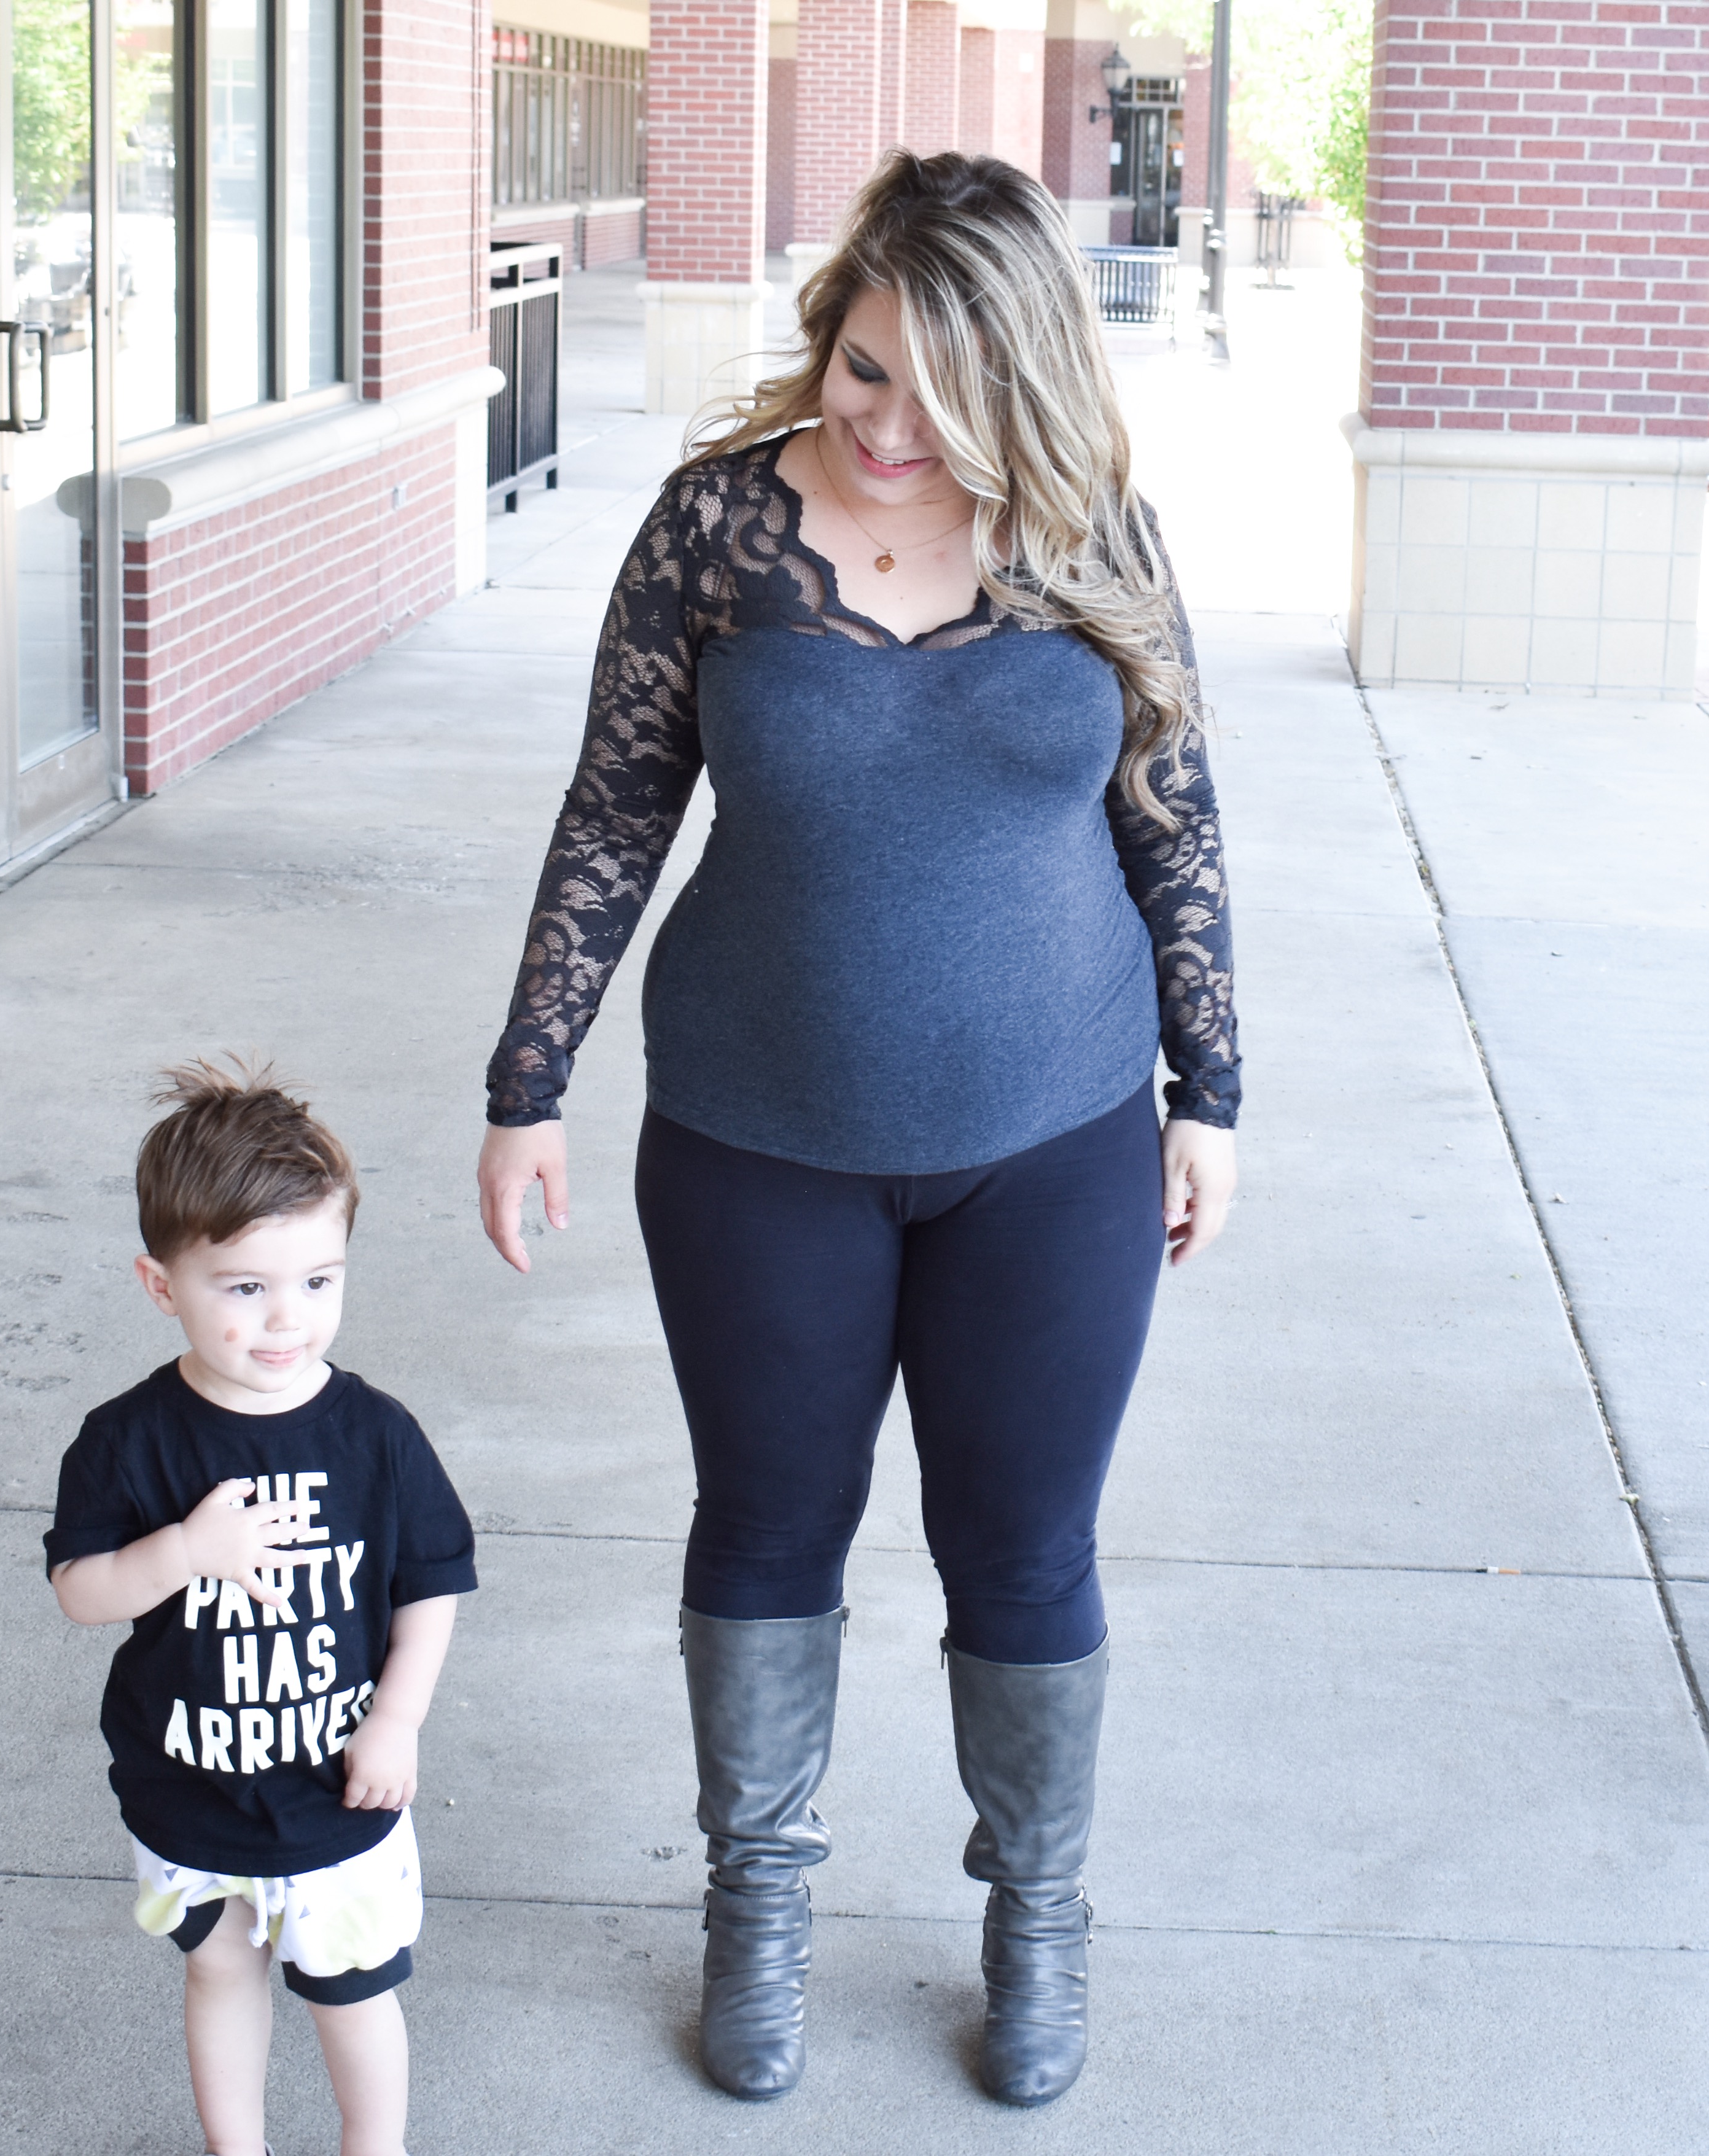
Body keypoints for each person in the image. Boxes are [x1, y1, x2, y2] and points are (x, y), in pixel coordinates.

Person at [475, 151, 1239, 2111]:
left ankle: (1037, 1920)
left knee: (1021, 1552)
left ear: (1023, 384)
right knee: (765, 1527)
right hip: (753, 1141)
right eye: (858, 368)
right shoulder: (714, 529)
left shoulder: (1091, 533)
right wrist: (525, 1085)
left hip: (1051, 1139)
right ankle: (758, 1902)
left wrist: (1207, 1092)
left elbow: (1173, 823)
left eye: (934, 390)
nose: (885, 426)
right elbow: (612, 813)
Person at [50, 1060, 477, 2156]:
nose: (288, 1319)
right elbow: (82, 1593)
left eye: (318, 1283)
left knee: (349, 1991)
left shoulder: (374, 1434)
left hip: (337, 1789)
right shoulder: (128, 1439)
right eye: (245, 1288)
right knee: (219, 1965)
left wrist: (395, 1720)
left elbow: (429, 1584)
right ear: (162, 1285)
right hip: (188, 1783)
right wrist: (185, 1551)